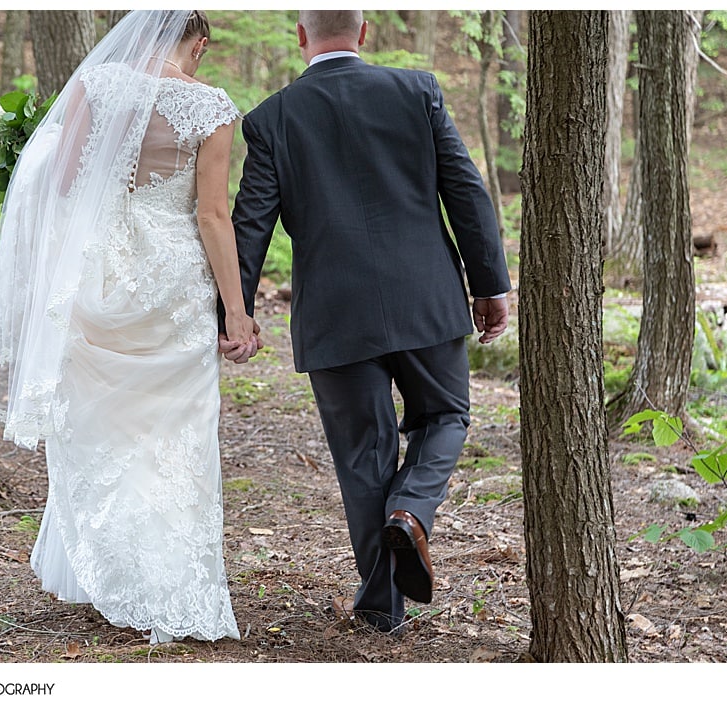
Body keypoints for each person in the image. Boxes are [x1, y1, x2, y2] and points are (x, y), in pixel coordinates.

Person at [0, 10, 257, 645]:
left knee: (99, 426)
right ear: (197, 43)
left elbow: (61, 184)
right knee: (176, 431)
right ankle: (169, 580)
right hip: (172, 280)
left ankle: (107, 569)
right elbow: (211, 214)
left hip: (99, 273)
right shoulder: (211, 107)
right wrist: (235, 309)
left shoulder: (98, 87)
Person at [223, 10, 511, 633]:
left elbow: (250, 224)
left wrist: (235, 313)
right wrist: (490, 284)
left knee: (362, 454)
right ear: (365, 33)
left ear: (301, 37)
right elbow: (466, 190)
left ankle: (382, 605)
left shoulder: (272, 118)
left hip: (333, 313)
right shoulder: (417, 90)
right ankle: (411, 511)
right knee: (446, 416)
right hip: (426, 299)